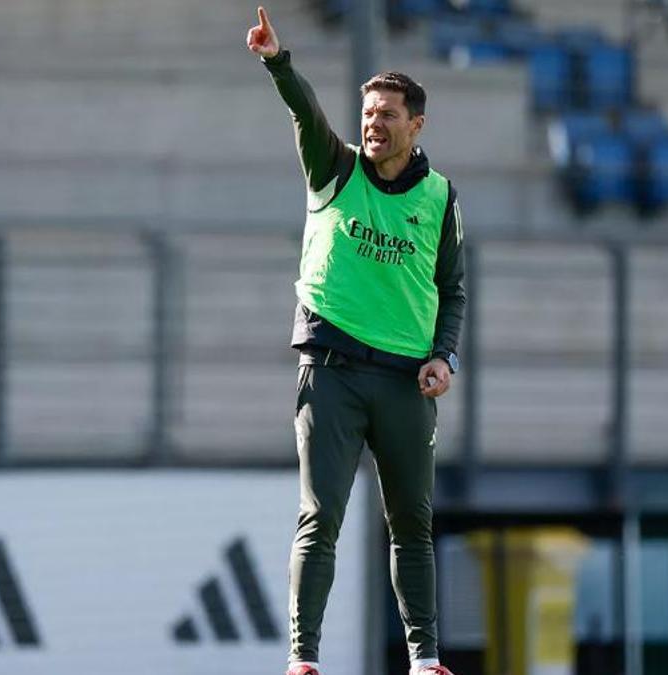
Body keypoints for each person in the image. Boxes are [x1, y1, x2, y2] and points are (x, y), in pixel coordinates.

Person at [245, 7, 465, 675]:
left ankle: (424, 659)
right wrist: (278, 62)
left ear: (416, 124)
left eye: (387, 114)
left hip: (405, 381)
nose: (373, 123)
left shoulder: (440, 198)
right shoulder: (334, 167)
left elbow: (452, 290)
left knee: (412, 525)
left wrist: (443, 356)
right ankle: (303, 658)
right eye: (368, 113)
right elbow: (305, 111)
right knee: (321, 519)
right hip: (332, 372)